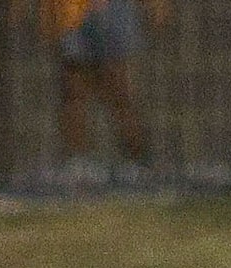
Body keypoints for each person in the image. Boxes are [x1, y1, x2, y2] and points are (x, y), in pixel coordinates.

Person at [40, 0, 167, 179]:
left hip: (113, 8)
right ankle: (78, 163)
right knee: (73, 91)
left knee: (118, 89)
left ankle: (138, 162)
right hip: (72, 9)